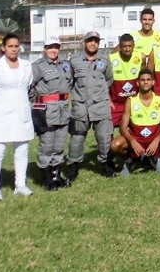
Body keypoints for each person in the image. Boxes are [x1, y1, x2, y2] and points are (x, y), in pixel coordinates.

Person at [0, 33, 36, 202]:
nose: (13, 49)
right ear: (3, 48)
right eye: (10, 46)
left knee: (22, 149)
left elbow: (28, 85)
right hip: (0, 114)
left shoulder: (26, 66)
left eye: (16, 46)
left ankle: (20, 185)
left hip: (22, 112)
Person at [67, 31, 115, 181]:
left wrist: (99, 95)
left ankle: (106, 164)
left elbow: (108, 80)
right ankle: (73, 167)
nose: (93, 43)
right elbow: (69, 82)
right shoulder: (74, 60)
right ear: (84, 42)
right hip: (81, 106)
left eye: (96, 41)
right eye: (90, 41)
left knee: (104, 137)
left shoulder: (104, 60)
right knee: (77, 138)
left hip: (100, 105)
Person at [112, 70, 160, 175]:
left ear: (153, 82)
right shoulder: (131, 101)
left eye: (148, 80)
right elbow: (123, 128)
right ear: (138, 83)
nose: (145, 82)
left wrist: (156, 140)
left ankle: (157, 158)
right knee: (115, 145)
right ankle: (130, 160)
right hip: (136, 137)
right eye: (142, 80)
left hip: (154, 137)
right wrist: (132, 141)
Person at [31, 35, 73, 191]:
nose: (53, 50)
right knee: (47, 144)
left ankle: (56, 174)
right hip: (46, 110)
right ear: (44, 49)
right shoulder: (38, 66)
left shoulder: (65, 65)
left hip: (63, 108)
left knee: (60, 143)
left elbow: (70, 83)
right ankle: (46, 177)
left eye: (56, 47)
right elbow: (29, 87)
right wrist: (37, 104)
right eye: (50, 47)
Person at [109, 34, 141, 128]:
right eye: (124, 46)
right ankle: (110, 143)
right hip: (116, 104)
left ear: (133, 46)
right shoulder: (111, 59)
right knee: (107, 128)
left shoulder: (140, 57)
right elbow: (104, 82)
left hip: (134, 102)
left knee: (139, 129)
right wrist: (108, 100)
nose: (127, 49)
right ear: (119, 46)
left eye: (130, 46)